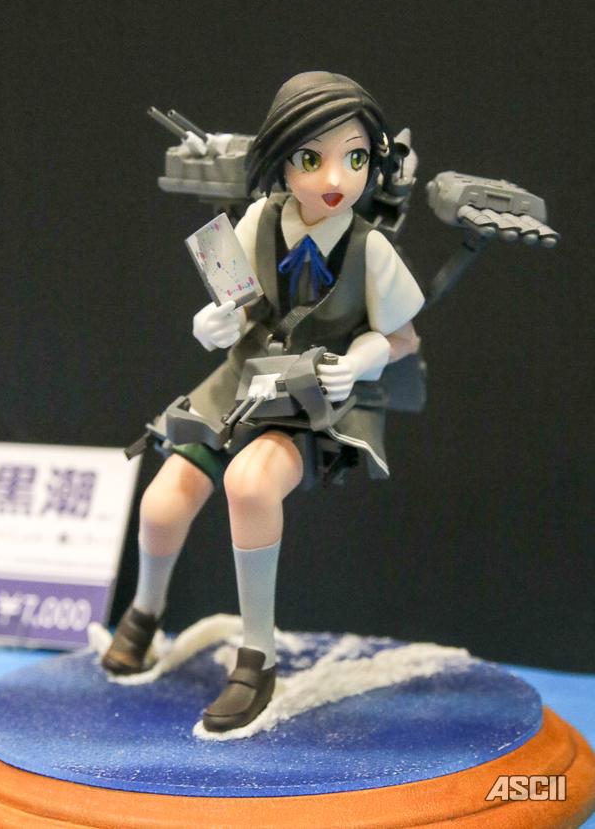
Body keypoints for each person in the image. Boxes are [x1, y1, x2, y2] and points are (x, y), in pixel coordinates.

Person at [102, 71, 425, 732]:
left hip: (314, 400)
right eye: (311, 157)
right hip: (240, 382)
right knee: (162, 503)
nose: (334, 177)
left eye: (354, 158)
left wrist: (359, 361)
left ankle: (258, 658)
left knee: (250, 485)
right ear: (281, 159)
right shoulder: (257, 221)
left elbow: (402, 337)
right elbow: (234, 304)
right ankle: (144, 613)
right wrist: (213, 324)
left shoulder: (371, 249)